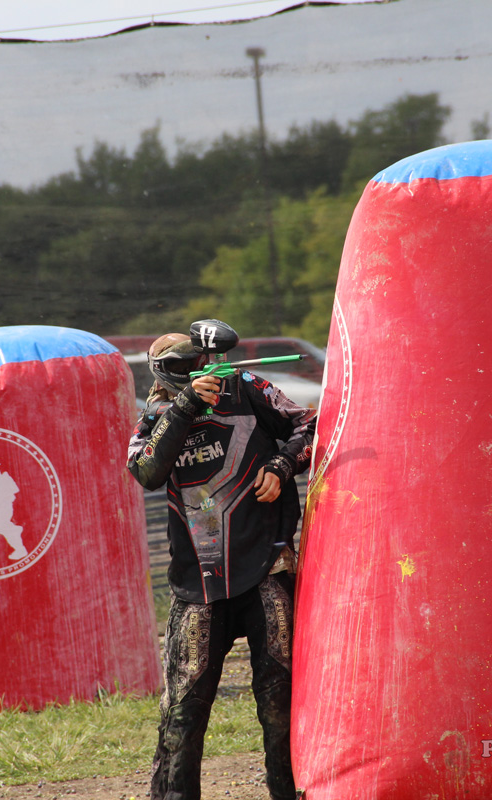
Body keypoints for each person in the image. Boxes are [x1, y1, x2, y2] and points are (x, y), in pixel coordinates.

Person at [127, 328, 316, 800]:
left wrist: (281, 466)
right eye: (180, 367)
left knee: (280, 707)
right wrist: (186, 404)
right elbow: (146, 471)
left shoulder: (245, 387)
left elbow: (311, 426)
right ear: (161, 374)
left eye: (197, 362)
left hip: (266, 568)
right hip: (199, 584)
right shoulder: (155, 415)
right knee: (182, 714)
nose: (195, 371)